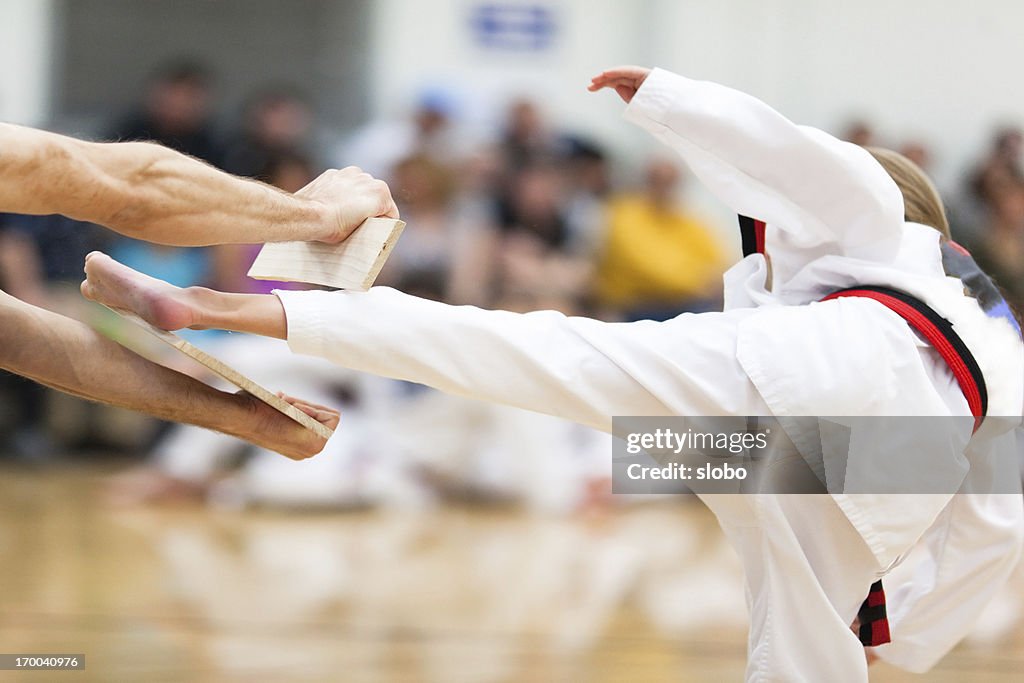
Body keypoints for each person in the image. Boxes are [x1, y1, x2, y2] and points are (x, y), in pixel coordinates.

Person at [80, 67, 1024, 681]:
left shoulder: (883, 221)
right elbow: (1000, 507)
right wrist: (906, 621)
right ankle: (597, 472)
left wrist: (666, 100)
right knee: (808, 647)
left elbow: (811, 165)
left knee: (527, 351)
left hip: (821, 369)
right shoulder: (991, 309)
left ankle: (228, 309)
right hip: (909, 459)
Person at [0, 121, 398, 459]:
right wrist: (320, 214)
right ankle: (199, 305)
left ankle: (199, 305)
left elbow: (18, 339)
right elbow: (126, 183)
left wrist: (240, 416)